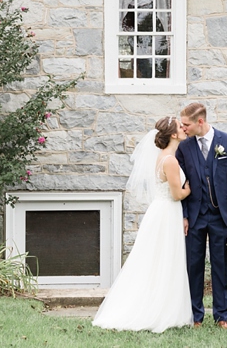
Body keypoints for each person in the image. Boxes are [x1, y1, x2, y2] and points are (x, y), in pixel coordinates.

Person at [92, 117, 193, 333]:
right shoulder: (171, 161)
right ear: (174, 135)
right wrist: (189, 189)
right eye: (180, 127)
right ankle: (158, 310)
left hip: (160, 211)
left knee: (155, 259)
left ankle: (160, 305)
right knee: (164, 259)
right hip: (167, 212)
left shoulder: (163, 157)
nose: (184, 129)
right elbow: (176, 194)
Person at [176, 103, 227, 329]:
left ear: (200, 122)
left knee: (221, 267)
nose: (183, 128)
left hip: (221, 216)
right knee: (194, 267)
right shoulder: (184, 148)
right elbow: (181, 183)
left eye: (186, 124)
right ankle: (196, 317)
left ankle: (222, 316)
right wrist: (183, 215)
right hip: (194, 216)